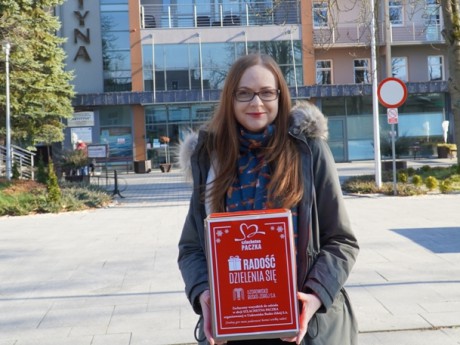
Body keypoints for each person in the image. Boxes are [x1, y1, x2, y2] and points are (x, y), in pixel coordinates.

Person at [178, 53, 359, 345]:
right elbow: (191, 248)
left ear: (280, 96)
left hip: (306, 329)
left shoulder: (309, 151)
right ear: (230, 98)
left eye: (266, 93)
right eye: (244, 93)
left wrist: (315, 296)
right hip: (234, 329)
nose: (256, 103)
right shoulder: (211, 159)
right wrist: (204, 294)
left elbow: (341, 240)